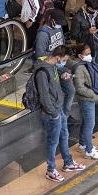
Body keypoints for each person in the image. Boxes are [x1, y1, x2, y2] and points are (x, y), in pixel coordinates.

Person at [35, 47, 85, 181]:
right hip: (52, 113)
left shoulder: (53, 67)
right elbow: (44, 96)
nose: (63, 63)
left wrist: (64, 74)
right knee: (53, 141)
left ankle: (68, 163)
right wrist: (54, 113)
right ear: (57, 57)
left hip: (58, 110)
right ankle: (50, 170)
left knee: (64, 135)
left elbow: (57, 80)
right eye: (63, 60)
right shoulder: (42, 71)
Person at [71, 42, 98, 160]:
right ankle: (89, 150)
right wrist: (94, 95)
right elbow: (79, 88)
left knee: (86, 122)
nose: (89, 56)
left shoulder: (86, 64)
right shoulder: (79, 68)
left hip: (88, 98)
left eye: (90, 53)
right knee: (90, 124)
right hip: (86, 99)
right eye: (87, 54)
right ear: (80, 55)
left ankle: (82, 143)